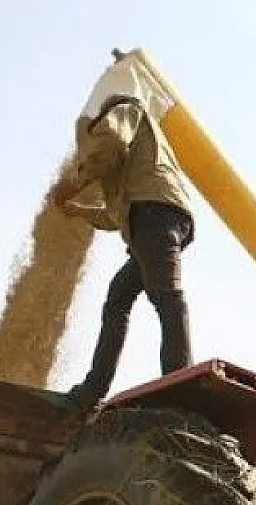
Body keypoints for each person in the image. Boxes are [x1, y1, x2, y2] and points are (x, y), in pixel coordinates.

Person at [50, 54, 197, 412]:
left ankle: (180, 382)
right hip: (156, 215)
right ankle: (94, 388)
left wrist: (75, 181)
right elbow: (117, 215)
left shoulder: (124, 109)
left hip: (155, 215)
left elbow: (111, 143)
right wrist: (78, 211)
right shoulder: (136, 173)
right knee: (119, 296)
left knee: (166, 296)